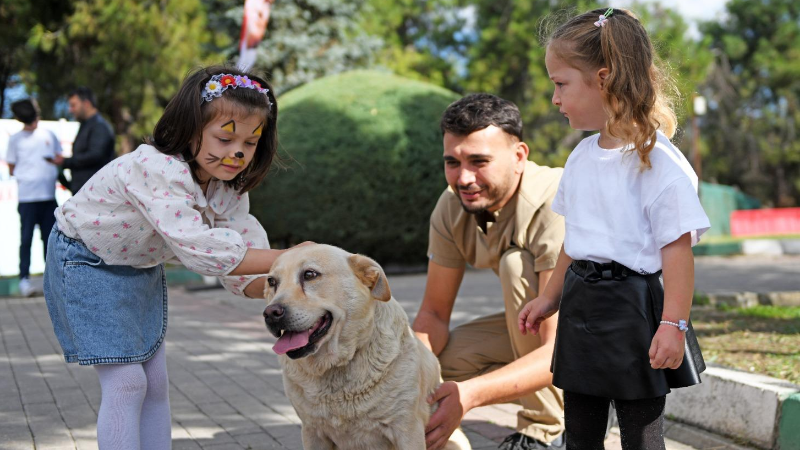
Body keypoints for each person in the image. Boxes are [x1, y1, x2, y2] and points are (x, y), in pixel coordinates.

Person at [43, 66, 305, 450]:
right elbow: (200, 247)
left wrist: (287, 286)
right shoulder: (158, 168)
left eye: (250, 143)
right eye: (225, 137)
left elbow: (244, 256)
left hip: (138, 268)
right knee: (127, 381)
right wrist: (289, 257)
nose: (237, 152)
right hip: (86, 261)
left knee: (156, 382)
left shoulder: (225, 186)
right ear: (190, 128)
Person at [518, 8, 711, 450]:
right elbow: (577, 239)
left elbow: (677, 252)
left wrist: (674, 325)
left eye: (560, 83)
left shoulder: (659, 164)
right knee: (580, 427)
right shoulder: (582, 158)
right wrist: (550, 296)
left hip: (634, 311)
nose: (554, 98)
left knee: (640, 435)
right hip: (583, 304)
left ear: (602, 79)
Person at [413, 93, 566, 450]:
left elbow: (558, 347)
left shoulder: (554, 201)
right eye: (452, 162)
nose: (463, 178)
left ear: (519, 157)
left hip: (602, 336)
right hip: (542, 330)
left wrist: (469, 396)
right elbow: (433, 314)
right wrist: (400, 372)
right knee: (435, 367)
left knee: (516, 264)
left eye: (479, 161)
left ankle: (548, 431)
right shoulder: (452, 206)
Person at [6, 99, 62, 297]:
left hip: (48, 197)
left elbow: (58, 158)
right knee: (26, 238)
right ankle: (24, 280)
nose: (34, 122)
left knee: (50, 239)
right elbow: (11, 167)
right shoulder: (15, 140)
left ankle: (54, 281)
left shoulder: (49, 134)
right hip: (27, 198)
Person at [48, 86, 115, 194]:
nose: (70, 110)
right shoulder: (87, 125)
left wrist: (65, 162)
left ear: (86, 103)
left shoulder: (99, 126)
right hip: (85, 191)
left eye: (73, 105)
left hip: (95, 192)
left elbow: (95, 156)